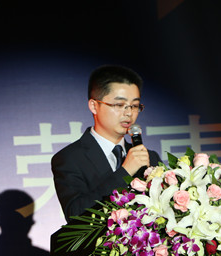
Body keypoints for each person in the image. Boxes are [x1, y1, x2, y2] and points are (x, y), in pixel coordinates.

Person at [51, 65, 162, 221]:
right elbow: (75, 215)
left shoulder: (150, 157)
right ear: (94, 106)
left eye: (135, 106)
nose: (129, 113)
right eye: (119, 105)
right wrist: (125, 172)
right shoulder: (69, 158)